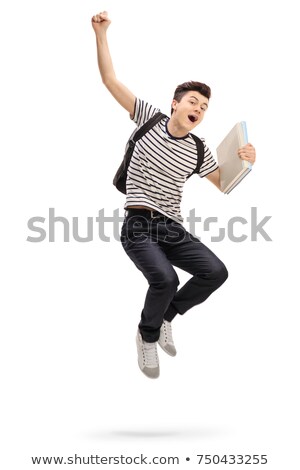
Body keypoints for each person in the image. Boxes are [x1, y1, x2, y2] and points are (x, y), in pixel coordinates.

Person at [91, 11, 256, 379]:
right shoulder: (148, 117)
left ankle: (167, 315)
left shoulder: (199, 149)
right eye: (193, 101)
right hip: (138, 224)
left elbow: (223, 182)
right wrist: (101, 33)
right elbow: (109, 79)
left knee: (215, 271)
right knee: (165, 280)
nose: (198, 108)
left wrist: (246, 161)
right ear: (175, 103)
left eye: (204, 106)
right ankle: (146, 335)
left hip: (172, 228)